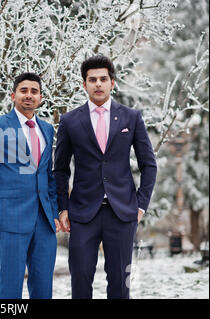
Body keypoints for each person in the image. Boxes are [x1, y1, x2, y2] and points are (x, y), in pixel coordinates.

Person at [53, 55, 157, 299]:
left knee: (121, 283)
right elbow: (60, 169)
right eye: (92, 80)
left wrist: (141, 204)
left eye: (103, 79)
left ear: (112, 82)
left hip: (121, 213)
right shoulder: (70, 121)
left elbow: (149, 164)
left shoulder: (131, 117)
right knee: (79, 280)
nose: (97, 84)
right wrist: (63, 208)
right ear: (84, 84)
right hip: (82, 214)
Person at [0, 72, 61, 299]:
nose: (29, 95)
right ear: (13, 95)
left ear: (41, 98)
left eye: (34, 91)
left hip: (45, 222)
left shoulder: (47, 129)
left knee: (44, 288)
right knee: (11, 289)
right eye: (24, 91)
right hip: (10, 219)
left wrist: (54, 211)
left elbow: (47, 175)